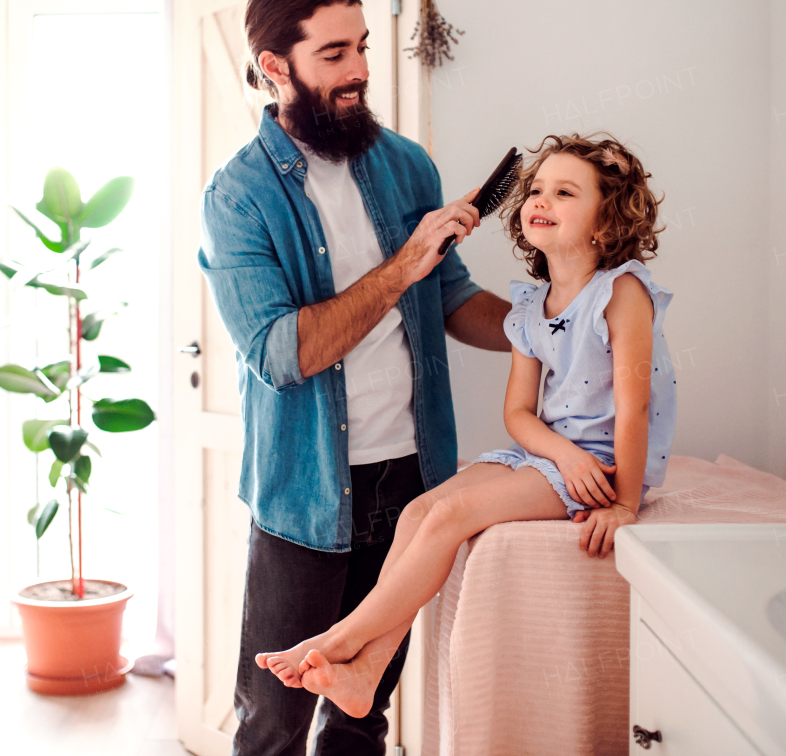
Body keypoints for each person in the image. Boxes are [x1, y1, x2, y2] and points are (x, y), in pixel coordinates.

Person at [196, 0, 512, 755]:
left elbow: (450, 299)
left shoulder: (406, 165)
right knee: (273, 723)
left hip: (412, 483)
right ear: (277, 67)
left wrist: (556, 325)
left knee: (363, 710)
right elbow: (281, 353)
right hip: (304, 493)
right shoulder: (236, 198)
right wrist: (405, 264)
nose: (361, 70)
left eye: (363, 47)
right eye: (334, 54)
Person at [258, 133, 678, 720]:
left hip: (600, 464)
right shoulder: (532, 306)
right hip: (551, 455)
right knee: (418, 512)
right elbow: (518, 415)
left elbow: (633, 408)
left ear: (605, 223)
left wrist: (624, 503)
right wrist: (559, 453)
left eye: (564, 192)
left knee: (452, 517)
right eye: (536, 189)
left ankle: (338, 639)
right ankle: (367, 673)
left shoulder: (622, 292)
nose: (541, 199)